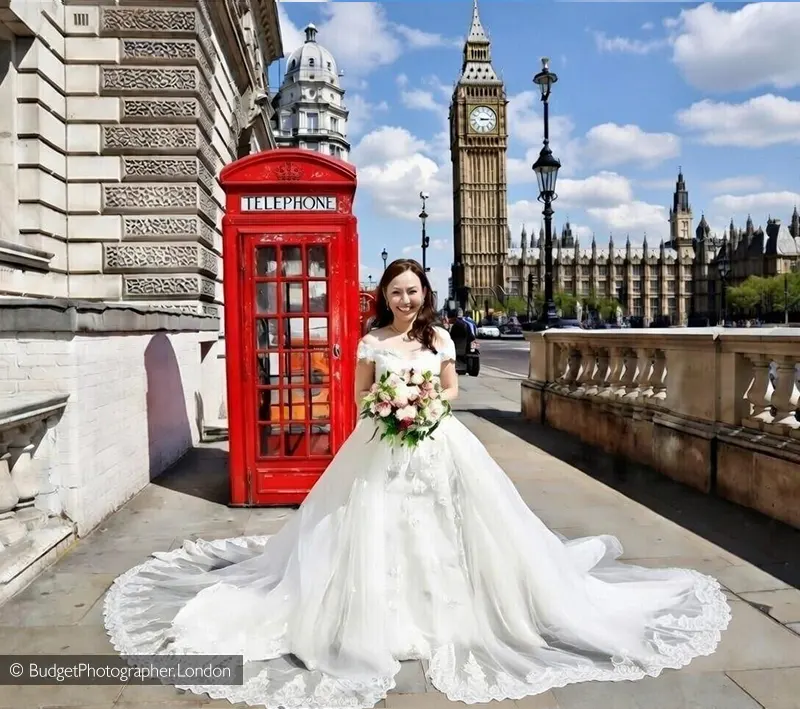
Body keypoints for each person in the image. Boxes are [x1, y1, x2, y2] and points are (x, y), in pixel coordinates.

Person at [103, 258, 730, 708]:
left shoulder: (441, 336)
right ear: (385, 296)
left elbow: (452, 388)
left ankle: (454, 610)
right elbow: (357, 398)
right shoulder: (370, 340)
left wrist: (429, 401)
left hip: (438, 443)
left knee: (456, 526)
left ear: (425, 292)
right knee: (373, 527)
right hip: (381, 446)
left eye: (413, 290)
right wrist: (390, 405)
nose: (405, 298)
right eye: (397, 291)